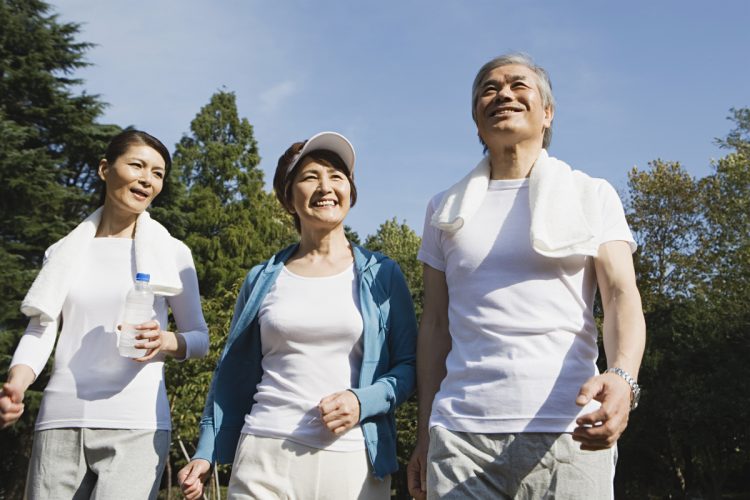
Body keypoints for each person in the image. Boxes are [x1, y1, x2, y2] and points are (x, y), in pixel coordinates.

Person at [407, 53, 646, 499]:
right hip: (460, 438)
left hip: (570, 431)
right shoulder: (442, 209)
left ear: (548, 112)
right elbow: (435, 325)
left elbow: (619, 295)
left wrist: (622, 378)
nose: (503, 94)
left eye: (519, 85)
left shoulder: (592, 194)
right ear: (476, 121)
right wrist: (425, 432)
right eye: (489, 89)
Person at [178, 131, 417, 499]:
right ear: (288, 198)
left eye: (337, 176)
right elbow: (230, 373)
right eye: (310, 177)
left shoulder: (383, 275)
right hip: (263, 452)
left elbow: (409, 365)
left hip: (351, 460)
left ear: (350, 192)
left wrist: (362, 400)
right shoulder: (261, 278)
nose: (326, 186)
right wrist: (206, 449)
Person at [0, 130, 209, 499]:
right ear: (104, 169)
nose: (148, 179)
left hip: (137, 426)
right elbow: (40, 329)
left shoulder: (173, 253)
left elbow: (199, 339)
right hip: (60, 421)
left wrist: (165, 341)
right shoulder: (63, 252)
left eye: (158, 173)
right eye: (138, 165)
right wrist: (17, 384)